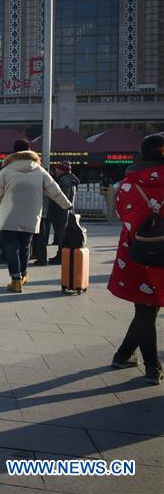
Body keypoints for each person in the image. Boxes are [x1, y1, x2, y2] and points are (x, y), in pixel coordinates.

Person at [108, 134, 163, 385]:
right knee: (148, 309)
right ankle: (153, 366)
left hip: (138, 251)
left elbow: (123, 214)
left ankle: (124, 354)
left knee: (145, 307)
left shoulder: (127, 184)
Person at [0, 139, 71, 293]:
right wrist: (67, 205)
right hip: (30, 216)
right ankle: (23, 275)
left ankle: (15, 280)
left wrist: (2, 204)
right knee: (25, 246)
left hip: (9, 216)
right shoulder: (39, 171)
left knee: (11, 247)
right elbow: (54, 190)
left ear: (14, 153)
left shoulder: (6, 170)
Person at [47, 162, 80, 265]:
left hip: (61, 211)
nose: (55, 171)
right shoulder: (68, 179)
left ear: (61, 170)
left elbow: (62, 198)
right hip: (64, 211)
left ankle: (61, 256)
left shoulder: (64, 181)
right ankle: (61, 254)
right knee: (62, 234)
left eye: (57, 169)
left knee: (62, 235)